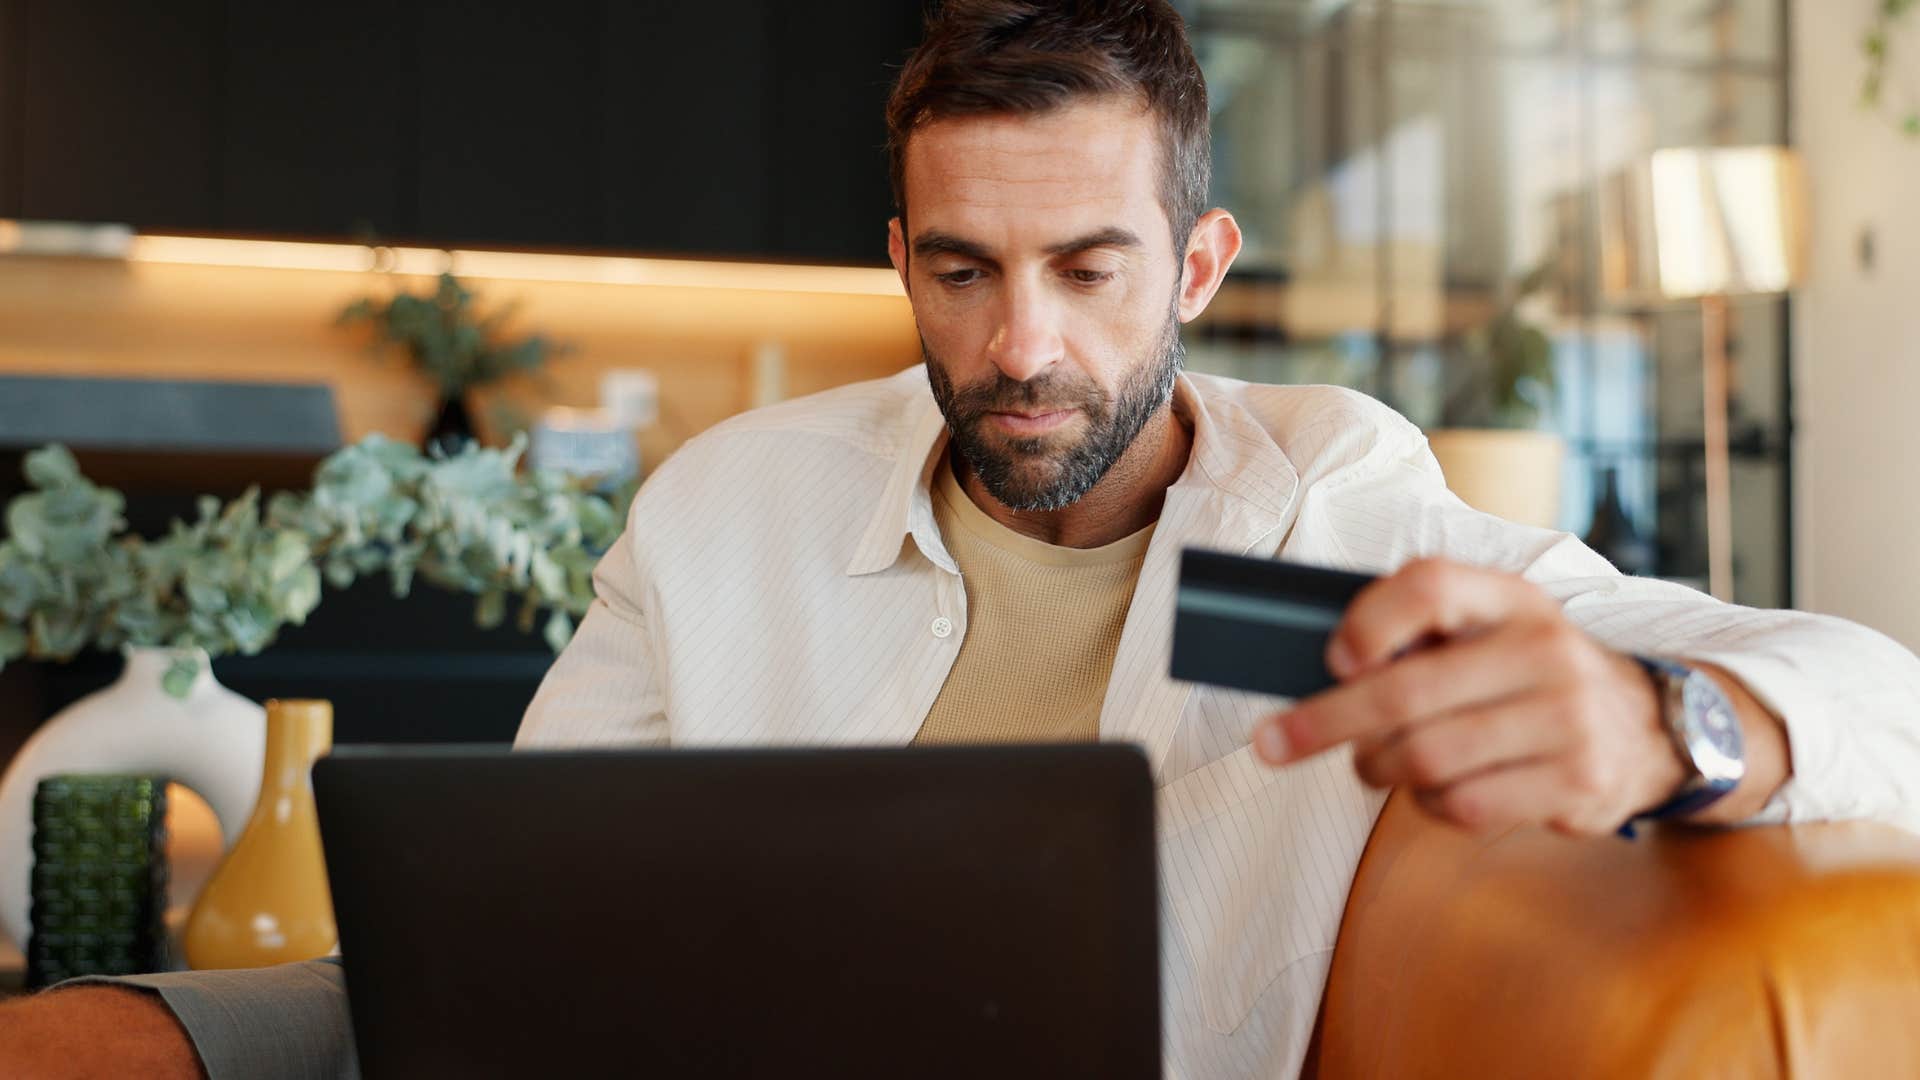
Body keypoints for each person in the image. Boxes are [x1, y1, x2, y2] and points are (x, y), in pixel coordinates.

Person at [5, 1, 1919, 1077]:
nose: (1024, 347)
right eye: (965, 269)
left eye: (1091, 271)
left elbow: (1883, 701)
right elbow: (506, 925)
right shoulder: (731, 502)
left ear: (1196, 265)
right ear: (898, 263)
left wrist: (1682, 729)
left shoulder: (1340, 513)